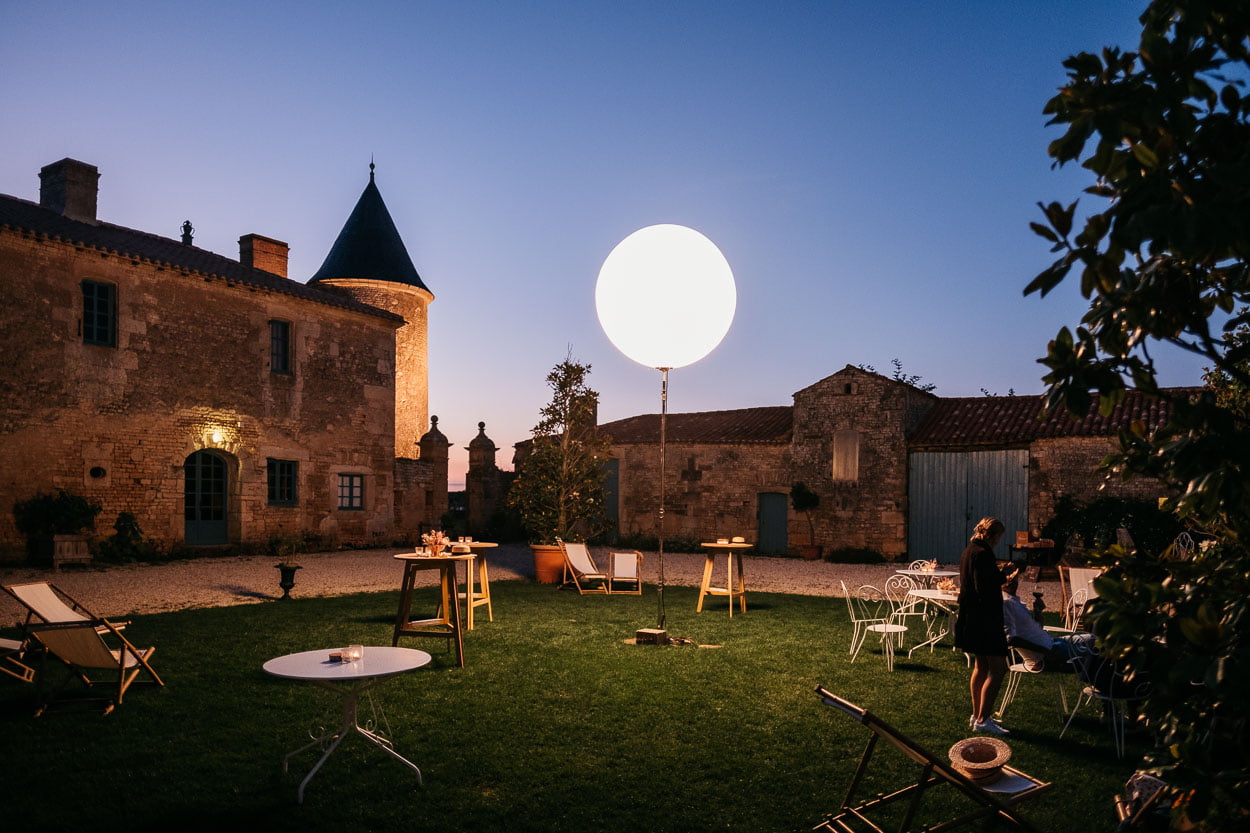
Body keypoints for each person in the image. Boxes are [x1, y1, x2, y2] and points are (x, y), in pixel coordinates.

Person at [954, 516, 1010, 734]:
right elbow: (984, 586)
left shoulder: (969, 552)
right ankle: (983, 718)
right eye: (999, 536)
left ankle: (977, 714)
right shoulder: (983, 554)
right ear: (993, 535)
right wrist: (1003, 575)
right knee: (998, 668)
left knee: (981, 667)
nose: (999, 540)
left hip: (971, 617)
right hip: (984, 619)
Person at [1001, 573, 1087, 671]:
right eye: (1006, 575)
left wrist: (1038, 611)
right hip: (1044, 654)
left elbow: (1038, 627)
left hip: (1051, 643)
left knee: (1091, 639)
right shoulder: (1006, 603)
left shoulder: (1015, 602)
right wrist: (1046, 652)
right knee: (1093, 651)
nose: (1011, 578)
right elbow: (1010, 639)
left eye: (1013, 575)